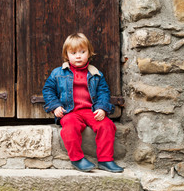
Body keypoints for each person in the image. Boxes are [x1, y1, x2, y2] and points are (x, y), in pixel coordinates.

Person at [42, 33, 123, 173]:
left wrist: (102, 108)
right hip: (70, 112)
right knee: (70, 127)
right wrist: (55, 106)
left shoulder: (96, 74)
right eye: (73, 53)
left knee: (107, 125)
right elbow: (48, 90)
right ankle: (77, 159)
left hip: (91, 111)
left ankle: (105, 160)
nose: (78, 56)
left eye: (82, 52)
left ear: (89, 53)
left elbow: (104, 92)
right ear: (67, 55)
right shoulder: (58, 73)